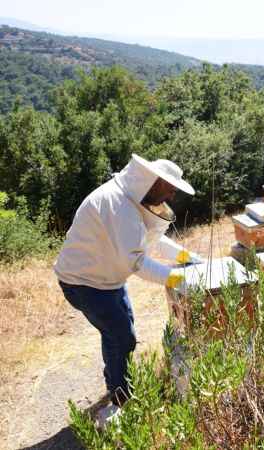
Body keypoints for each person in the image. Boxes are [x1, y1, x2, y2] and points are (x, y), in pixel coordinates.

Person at [54, 154, 201, 425]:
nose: (171, 194)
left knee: (124, 330)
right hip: (84, 282)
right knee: (120, 335)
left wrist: (187, 258)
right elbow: (136, 261)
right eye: (169, 187)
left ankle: (119, 380)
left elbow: (152, 239)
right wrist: (178, 280)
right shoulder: (117, 204)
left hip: (107, 278)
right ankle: (120, 399)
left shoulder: (132, 201)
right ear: (153, 181)